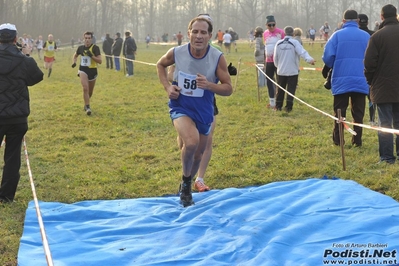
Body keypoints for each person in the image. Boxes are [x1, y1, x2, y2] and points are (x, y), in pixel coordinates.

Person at [156, 15, 233, 207]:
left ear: (210, 36)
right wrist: (167, 87)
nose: (199, 36)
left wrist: (209, 85)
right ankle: (186, 183)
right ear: (188, 33)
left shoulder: (217, 58)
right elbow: (160, 65)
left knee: (199, 153)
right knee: (191, 142)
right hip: (180, 106)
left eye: (203, 32)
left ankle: (187, 181)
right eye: (195, 32)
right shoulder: (177, 52)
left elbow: (228, 88)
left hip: (204, 110)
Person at [0, 23, 43, 203]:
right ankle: (6, 197)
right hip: (17, 117)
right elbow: (36, 78)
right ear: (16, 39)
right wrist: (26, 55)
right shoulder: (25, 60)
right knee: (12, 156)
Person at [322, 9, 370, 147]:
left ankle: (338, 140)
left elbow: (327, 57)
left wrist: (335, 65)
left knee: (339, 113)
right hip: (361, 79)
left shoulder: (337, 36)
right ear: (357, 21)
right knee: (359, 113)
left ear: (343, 21)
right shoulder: (366, 36)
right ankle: (357, 140)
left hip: (341, 79)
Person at [364, 4, 399, 164]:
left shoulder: (377, 37)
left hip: (383, 87)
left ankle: (386, 157)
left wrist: (371, 82)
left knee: (384, 124)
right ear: (396, 15)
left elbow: (369, 63)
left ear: (382, 17)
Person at [273, 26, 315, 112]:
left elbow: (275, 58)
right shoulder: (294, 42)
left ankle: (278, 106)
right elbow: (302, 52)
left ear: (284, 33)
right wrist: (310, 60)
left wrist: (278, 66)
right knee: (291, 89)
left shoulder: (278, 43)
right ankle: (288, 107)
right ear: (293, 33)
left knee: (280, 89)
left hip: (281, 71)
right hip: (293, 71)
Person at [71, 31, 102, 115]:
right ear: (83, 39)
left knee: (90, 92)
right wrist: (74, 62)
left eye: (89, 38)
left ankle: (86, 103)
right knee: (85, 88)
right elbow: (75, 55)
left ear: (91, 39)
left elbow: (100, 61)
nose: (87, 40)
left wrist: (91, 56)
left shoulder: (95, 48)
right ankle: (88, 107)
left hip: (92, 71)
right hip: (83, 70)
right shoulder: (80, 48)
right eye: (86, 38)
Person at [263, 15, 285, 109]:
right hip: (269, 61)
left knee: (279, 81)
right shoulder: (265, 34)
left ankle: (279, 102)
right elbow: (266, 47)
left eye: (273, 25)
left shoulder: (281, 33)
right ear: (266, 25)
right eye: (269, 25)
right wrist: (265, 62)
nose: (272, 27)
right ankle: (272, 101)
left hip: (279, 61)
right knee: (269, 81)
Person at [358, 13, 375, 125]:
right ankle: (372, 119)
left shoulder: (355, 35)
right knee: (371, 97)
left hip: (357, 70)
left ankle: (358, 120)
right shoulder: (374, 35)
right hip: (370, 69)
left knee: (358, 98)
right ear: (367, 22)